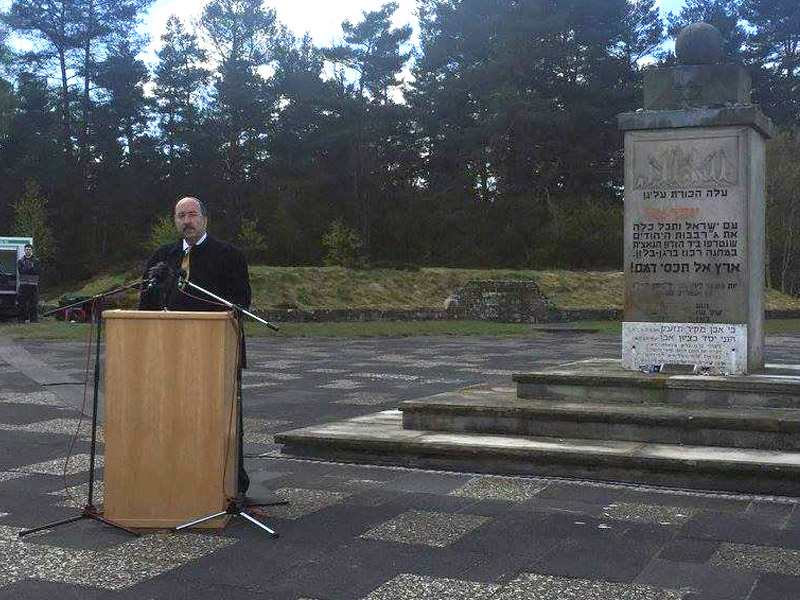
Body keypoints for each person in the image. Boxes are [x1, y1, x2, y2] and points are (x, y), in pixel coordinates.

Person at [139, 196, 253, 497]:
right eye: (180, 216)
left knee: (220, 419)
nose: (186, 221)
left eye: (192, 215)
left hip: (216, 352)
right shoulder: (164, 256)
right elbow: (146, 303)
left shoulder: (229, 255)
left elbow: (241, 301)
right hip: (169, 353)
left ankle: (230, 483)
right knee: (174, 417)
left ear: (204, 219)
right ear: (174, 221)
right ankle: (178, 477)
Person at [17, 243, 40, 323]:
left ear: (32, 250)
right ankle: (22, 320)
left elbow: (37, 271)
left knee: (33, 304)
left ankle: (34, 320)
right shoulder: (20, 261)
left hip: (33, 285)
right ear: (24, 250)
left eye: (29, 249)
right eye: (26, 249)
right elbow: (21, 272)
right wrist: (30, 268)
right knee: (22, 304)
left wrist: (28, 269)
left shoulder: (36, 261)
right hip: (23, 285)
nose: (28, 251)